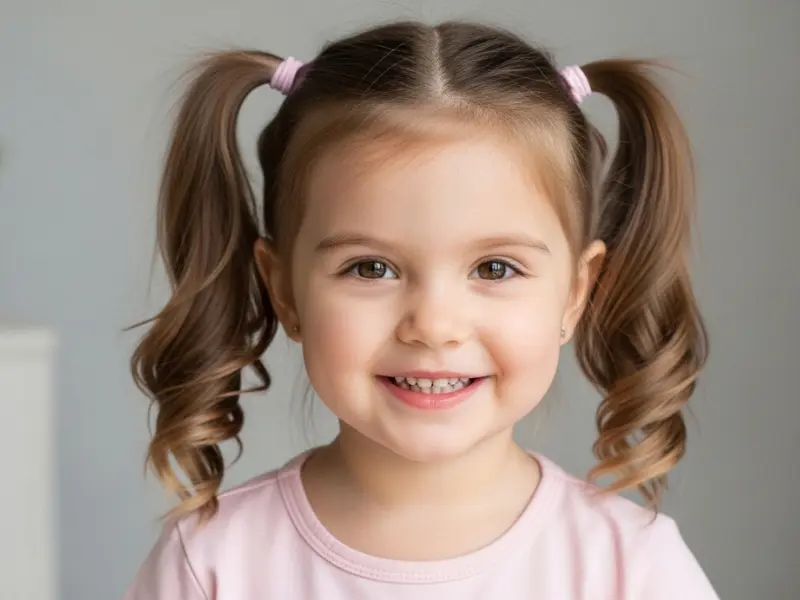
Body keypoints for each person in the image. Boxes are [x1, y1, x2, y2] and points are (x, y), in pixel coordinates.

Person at [125, 19, 718, 599]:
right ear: (284, 290)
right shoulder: (211, 565)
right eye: (370, 268)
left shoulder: (633, 568)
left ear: (574, 293)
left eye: (495, 268)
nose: (434, 326)